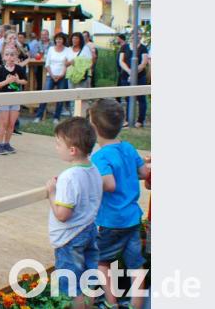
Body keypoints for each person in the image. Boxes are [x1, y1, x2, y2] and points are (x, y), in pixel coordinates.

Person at [88, 99, 149, 309]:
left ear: (94, 128)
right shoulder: (129, 148)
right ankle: (137, 305)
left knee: (101, 261)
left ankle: (111, 302)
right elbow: (143, 172)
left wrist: (88, 181)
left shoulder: (100, 156)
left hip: (111, 221)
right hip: (132, 218)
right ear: (122, 123)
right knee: (136, 265)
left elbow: (109, 184)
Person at [46, 117, 102, 306]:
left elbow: (62, 215)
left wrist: (52, 193)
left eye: (58, 143)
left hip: (70, 238)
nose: (56, 147)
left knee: (70, 288)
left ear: (72, 150)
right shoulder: (93, 169)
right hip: (89, 230)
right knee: (88, 280)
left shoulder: (69, 177)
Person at [0, 46, 28, 155]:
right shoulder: (1, 70)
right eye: (7, 54)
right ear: (3, 57)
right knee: (4, 122)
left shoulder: (19, 69)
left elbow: (25, 81)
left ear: (16, 56)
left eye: (12, 54)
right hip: (4, 99)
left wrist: (17, 80)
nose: (10, 57)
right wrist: (7, 81)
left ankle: (7, 143)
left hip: (16, 99)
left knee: (11, 123)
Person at [34, 32, 73, 124]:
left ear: (63, 40)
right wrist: (52, 75)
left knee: (60, 97)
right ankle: (38, 116)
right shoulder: (51, 49)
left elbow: (67, 64)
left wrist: (61, 75)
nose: (58, 40)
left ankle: (56, 117)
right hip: (50, 75)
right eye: (57, 39)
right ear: (55, 40)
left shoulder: (67, 50)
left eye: (60, 39)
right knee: (45, 95)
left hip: (62, 76)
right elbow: (47, 64)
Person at [118, 33, 149, 127]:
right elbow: (121, 61)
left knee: (141, 99)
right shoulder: (124, 47)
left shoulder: (143, 48)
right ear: (131, 36)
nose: (137, 36)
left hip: (140, 77)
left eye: (139, 35)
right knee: (128, 98)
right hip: (125, 76)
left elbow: (144, 63)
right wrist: (129, 71)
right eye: (135, 34)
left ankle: (140, 121)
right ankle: (127, 120)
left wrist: (134, 73)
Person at [66, 32, 94, 116]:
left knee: (83, 98)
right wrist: (70, 63)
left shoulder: (85, 49)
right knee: (72, 97)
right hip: (71, 76)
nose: (74, 40)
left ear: (80, 40)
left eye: (76, 38)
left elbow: (90, 62)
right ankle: (73, 115)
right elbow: (65, 63)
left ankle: (84, 116)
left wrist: (78, 63)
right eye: (73, 38)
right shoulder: (68, 49)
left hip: (83, 77)